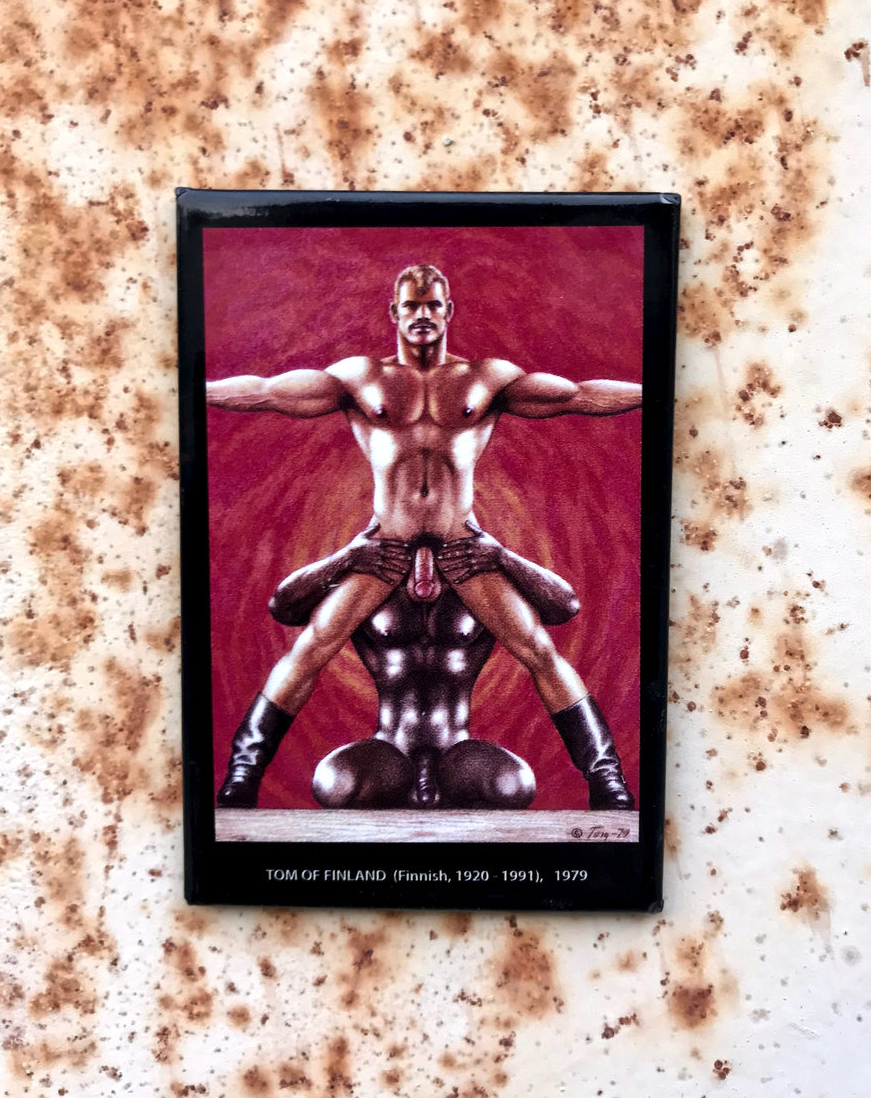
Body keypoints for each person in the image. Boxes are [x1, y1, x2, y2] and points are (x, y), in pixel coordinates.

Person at [207, 263, 641, 810]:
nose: (422, 315)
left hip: (461, 546)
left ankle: (607, 782)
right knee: (311, 646)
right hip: (385, 546)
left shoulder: (486, 379)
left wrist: (660, 390)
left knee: (538, 649)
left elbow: (578, 395)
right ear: (395, 312)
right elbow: (266, 391)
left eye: (433, 304)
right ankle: (242, 778)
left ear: (448, 311)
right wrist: (193, 390)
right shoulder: (360, 378)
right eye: (411, 305)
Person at [265, 520, 580, 809]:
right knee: (337, 784)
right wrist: (347, 557)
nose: (423, 574)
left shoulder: (484, 590)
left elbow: (565, 606)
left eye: (437, 557)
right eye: (411, 556)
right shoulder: (367, 585)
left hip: (459, 754)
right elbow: (284, 607)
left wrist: (502, 557)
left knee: (512, 785)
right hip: (387, 752)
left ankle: (602, 773)